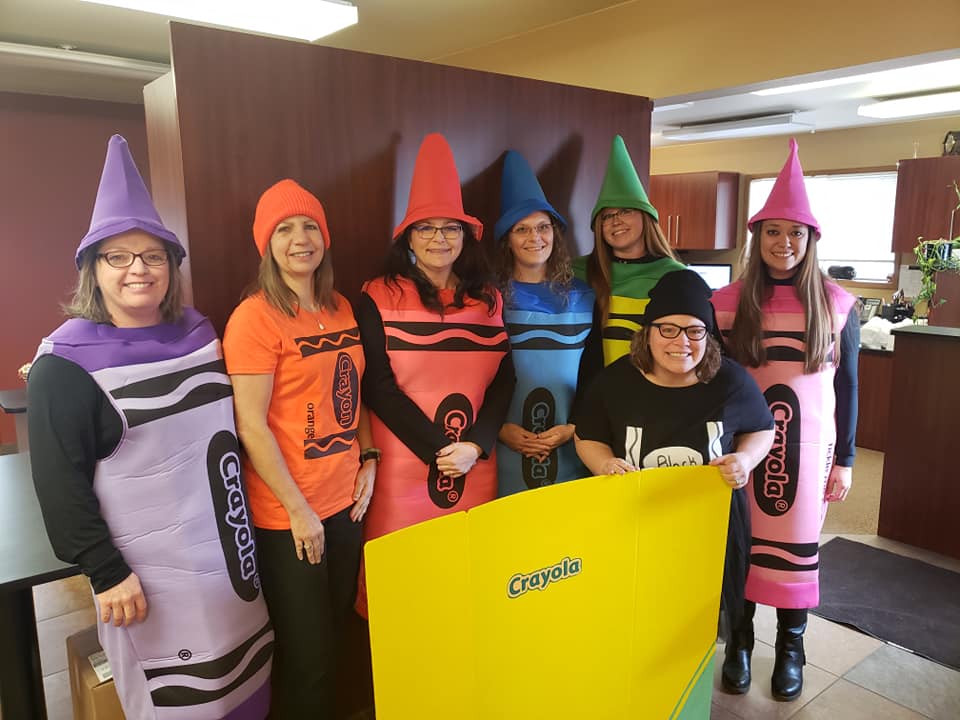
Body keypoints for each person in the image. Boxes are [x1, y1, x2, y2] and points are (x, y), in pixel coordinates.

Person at [28, 134, 271, 719]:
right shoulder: (64, 366)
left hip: (233, 562)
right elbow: (60, 489)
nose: (138, 268)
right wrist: (106, 573)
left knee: (250, 690)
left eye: (153, 255)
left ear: (171, 265)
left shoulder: (199, 332)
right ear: (92, 269)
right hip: (148, 585)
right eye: (119, 256)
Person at [712, 138, 859, 702]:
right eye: (773, 231)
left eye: (795, 233)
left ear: (811, 240)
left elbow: (848, 386)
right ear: (758, 238)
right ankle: (740, 643)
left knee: (795, 551)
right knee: (742, 545)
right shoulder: (726, 303)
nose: (784, 242)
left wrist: (845, 460)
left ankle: (791, 649)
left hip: (809, 451)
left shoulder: (837, 305)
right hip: (744, 449)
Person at [223, 179, 375, 718]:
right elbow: (251, 426)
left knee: (335, 639)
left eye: (309, 226)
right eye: (284, 229)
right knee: (307, 657)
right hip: (289, 516)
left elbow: (352, 392)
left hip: (344, 506)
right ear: (267, 244)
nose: (300, 239)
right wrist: (298, 510)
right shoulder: (254, 318)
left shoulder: (341, 307)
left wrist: (369, 457)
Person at [574, 269, 775, 657]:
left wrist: (746, 459)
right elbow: (587, 436)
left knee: (711, 602)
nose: (681, 342)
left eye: (694, 331)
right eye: (667, 329)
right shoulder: (616, 382)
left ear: (708, 335)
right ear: (647, 333)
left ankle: (732, 651)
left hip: (712, 523)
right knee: (642, 605)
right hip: (638, 519)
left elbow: (762, 428)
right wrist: (604, 465)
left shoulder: (730, 381)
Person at [356, 133, 514, 614]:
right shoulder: (378, 295)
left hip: (475, 466)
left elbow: (504, 378)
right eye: (426, 228)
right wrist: (440, 451)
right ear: (408, 237)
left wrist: (475, 447)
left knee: (463, 590)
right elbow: (377, 386)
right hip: (402, 471)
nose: (439, 238)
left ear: (465, 237)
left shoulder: (487, 300)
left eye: (450, 228)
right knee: (402, 593)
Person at [492, 150, 593, 494]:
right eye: (521, 229)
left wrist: (575, 426)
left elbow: (595, 372)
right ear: (507, 240)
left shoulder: (584, 296)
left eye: (543, 227)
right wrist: (498, 428)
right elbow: (475, 375)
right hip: (504, 446)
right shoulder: (488, 300)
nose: (535, 237)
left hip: (570, 444)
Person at [574, 134, 686, 380]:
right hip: (592, 393)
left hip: (652, 393)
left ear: (645, 218)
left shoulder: (676, 277)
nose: (616, 221)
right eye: (607, 216)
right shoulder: (578, 273)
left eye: (625, 211)